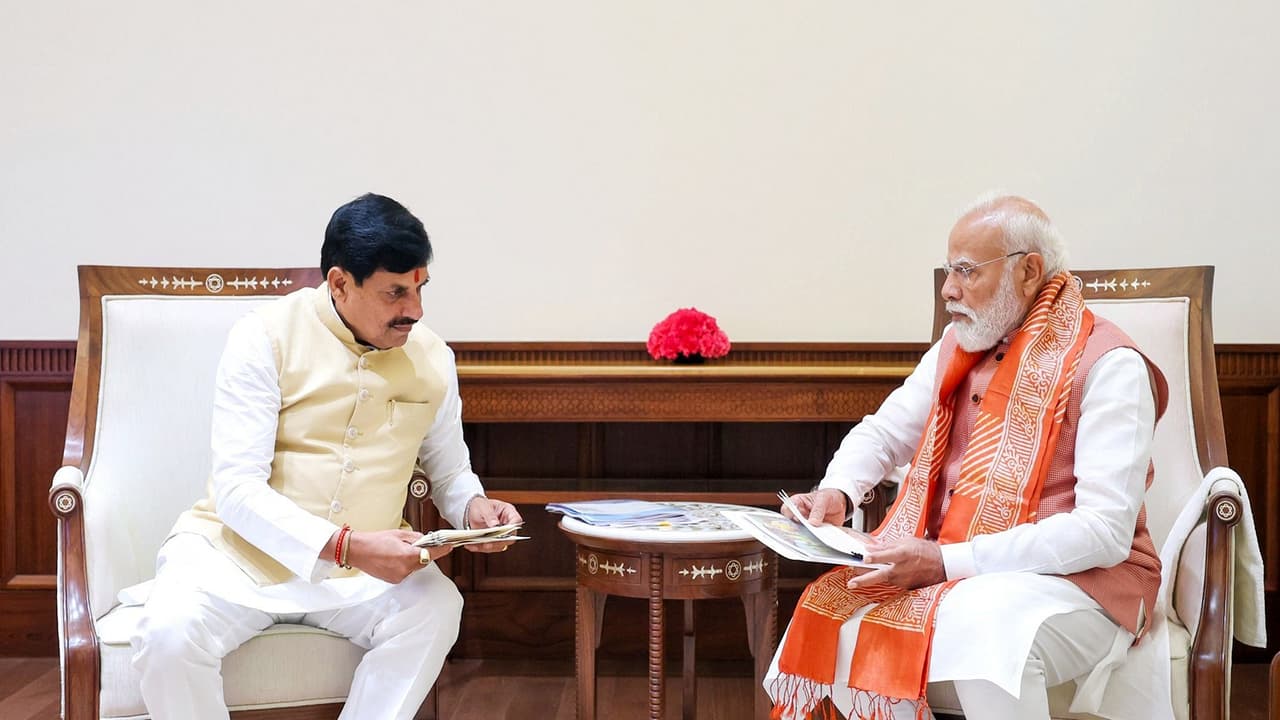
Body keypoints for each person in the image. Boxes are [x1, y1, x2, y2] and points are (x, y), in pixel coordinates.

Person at [767, 194, 1170, 720]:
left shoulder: (1111, 365)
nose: (947, 290)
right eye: (948, 270)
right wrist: (838, 491)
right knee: (833, 610)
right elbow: (884, 433)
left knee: (987, 628)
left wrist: (945, 563)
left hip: (1090, 587)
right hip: (964, 573)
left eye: (965, 272)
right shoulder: (955, 347)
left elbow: (1102, 533)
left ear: (1028, 272)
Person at [130, 193, 522, 719]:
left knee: (436, 606)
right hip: (236, 562)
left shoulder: (433, 357)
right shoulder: (263, 337)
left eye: (421, 288)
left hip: (364, 580)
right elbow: (237, 491)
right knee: (168, 635)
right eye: (395, 293)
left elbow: (449, 468)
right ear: (340, 283)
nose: (416, 310)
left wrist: (474, 510)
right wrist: (346, 546)